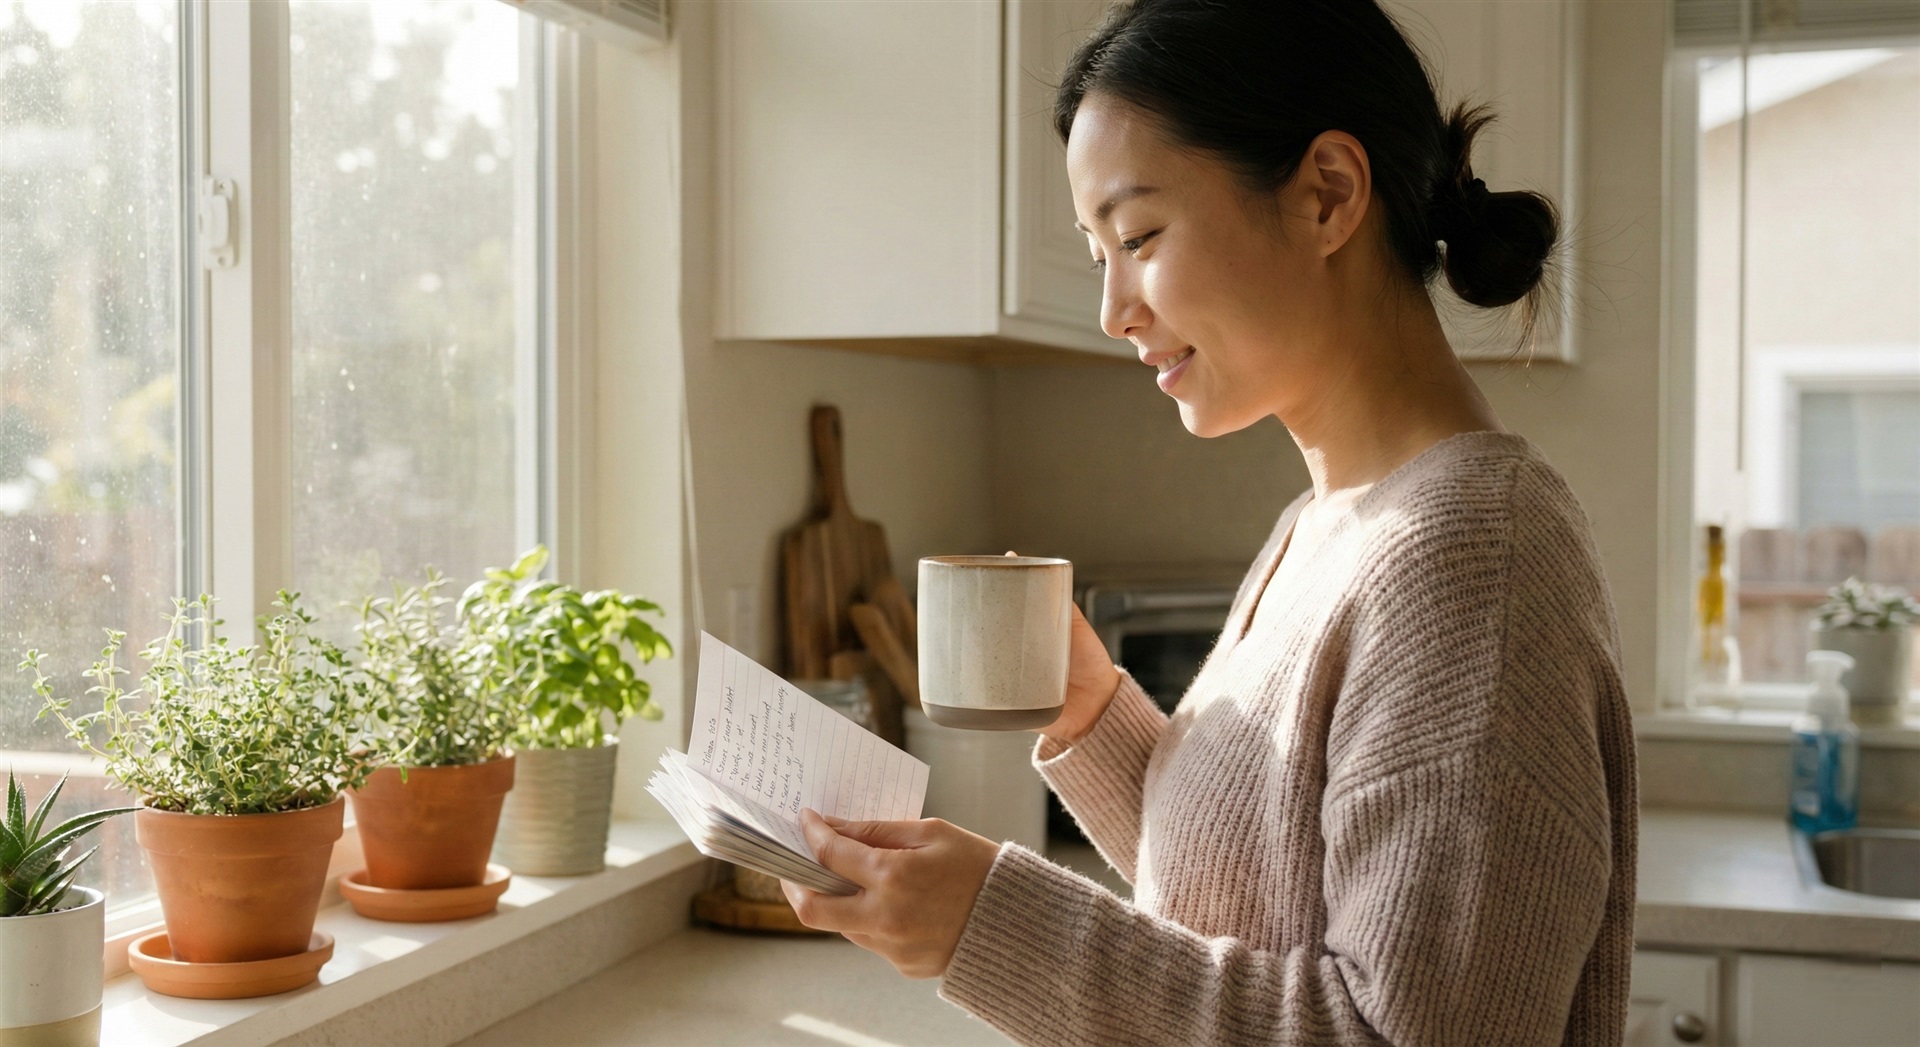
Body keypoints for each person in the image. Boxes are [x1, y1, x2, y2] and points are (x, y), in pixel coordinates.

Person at [779, 1, 1637, 1044]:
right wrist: (1092, 714)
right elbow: (1246, 897)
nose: (1114, 310)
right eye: (1099, 255)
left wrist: (991, 924)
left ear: (1328, 194)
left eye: (1138, 235)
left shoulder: (1467, 561)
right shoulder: (1324, 527)